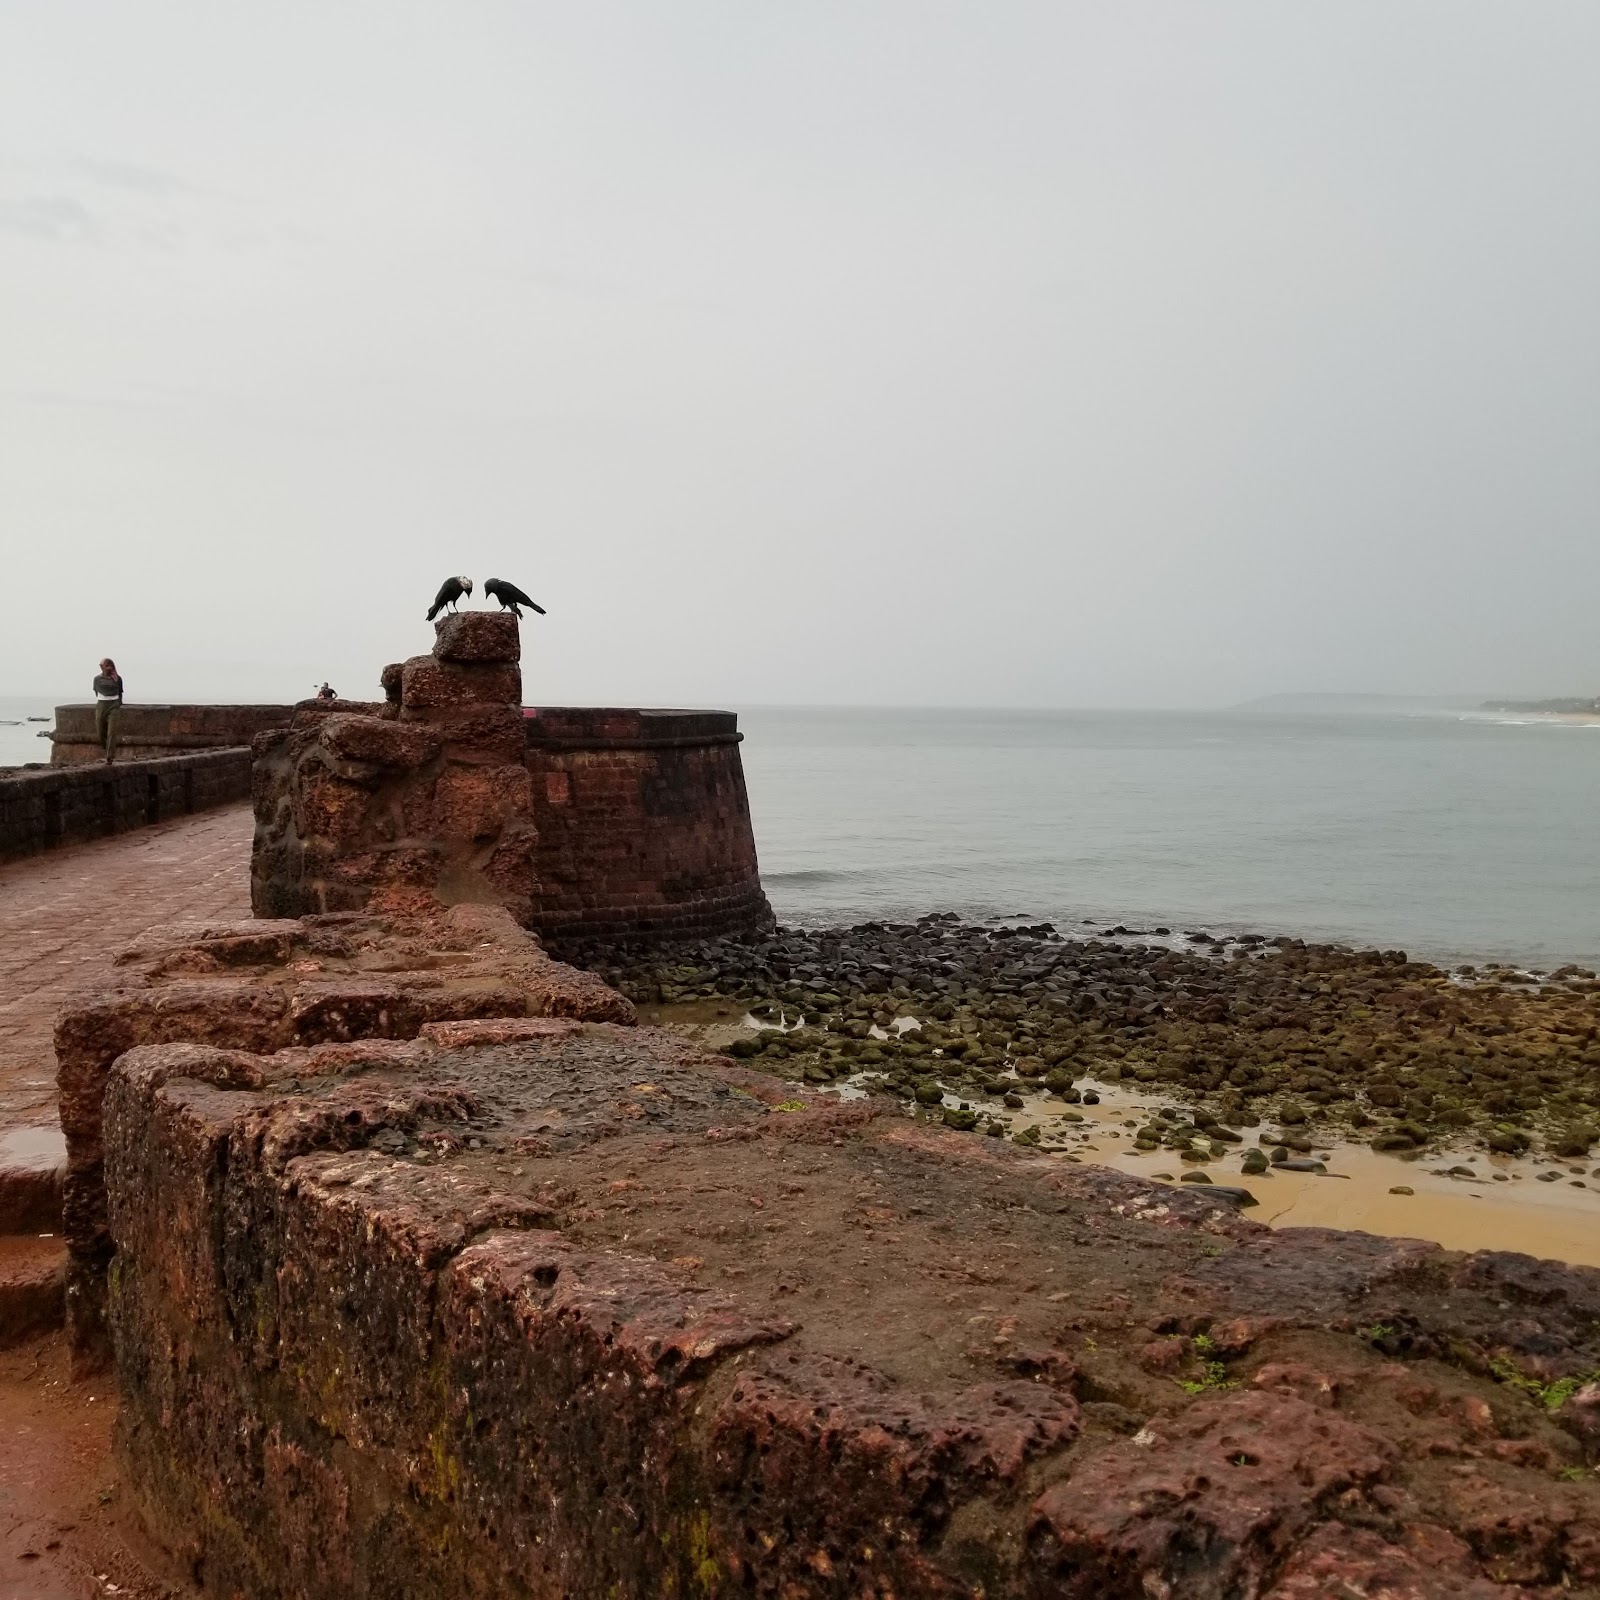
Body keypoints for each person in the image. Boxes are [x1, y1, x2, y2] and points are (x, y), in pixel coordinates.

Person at [93, 657, 123, 764]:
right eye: (105, 666)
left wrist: (118, 703)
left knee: (112, 732)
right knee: (100, 731)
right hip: (101, 704)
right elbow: (96, 691)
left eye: (109, 666)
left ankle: (110, 756)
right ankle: (106, 747)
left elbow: (120, 692)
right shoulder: (97, 679)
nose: (108, 668)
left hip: (114, 705)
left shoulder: (117, 679)